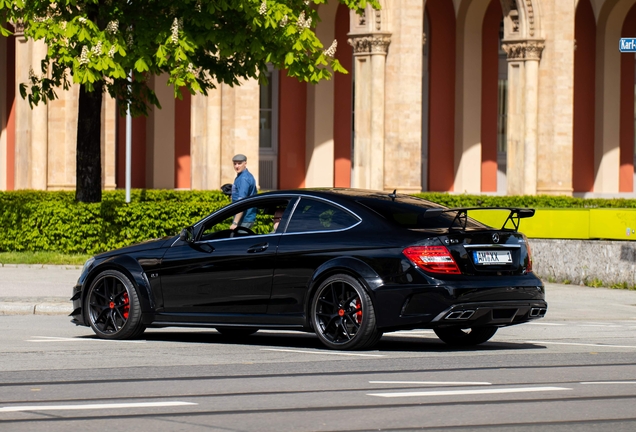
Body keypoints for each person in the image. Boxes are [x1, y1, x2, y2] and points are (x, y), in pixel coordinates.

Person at [230, 154, 258, 229]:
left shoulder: (244, 178)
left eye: (239, 163)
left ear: (245, 163)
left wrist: (235, 223)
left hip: (244, 219)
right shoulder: (243, 176)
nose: (236, 166)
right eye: (235, 163)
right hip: (245, 218)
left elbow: (241, 201)